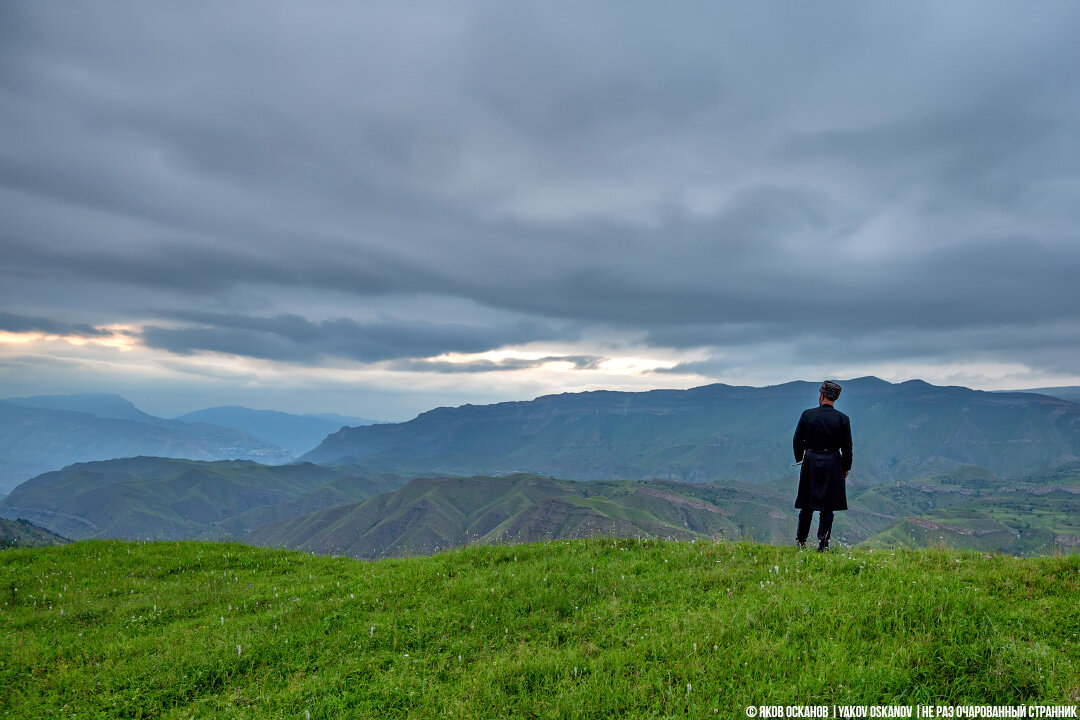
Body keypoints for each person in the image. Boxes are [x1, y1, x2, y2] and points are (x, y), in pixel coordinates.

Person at [792, 380, 852, 551]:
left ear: (822, 395)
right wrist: (846, 467)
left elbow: (797, 440)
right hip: (833, 462)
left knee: (806, 505)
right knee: (828, 507)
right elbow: (847, 448)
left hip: (811, 460)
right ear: (835, 398)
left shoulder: (807, 415)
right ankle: (823, 544)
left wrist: (801, 457)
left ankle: (801, 541)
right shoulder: (843, 419)